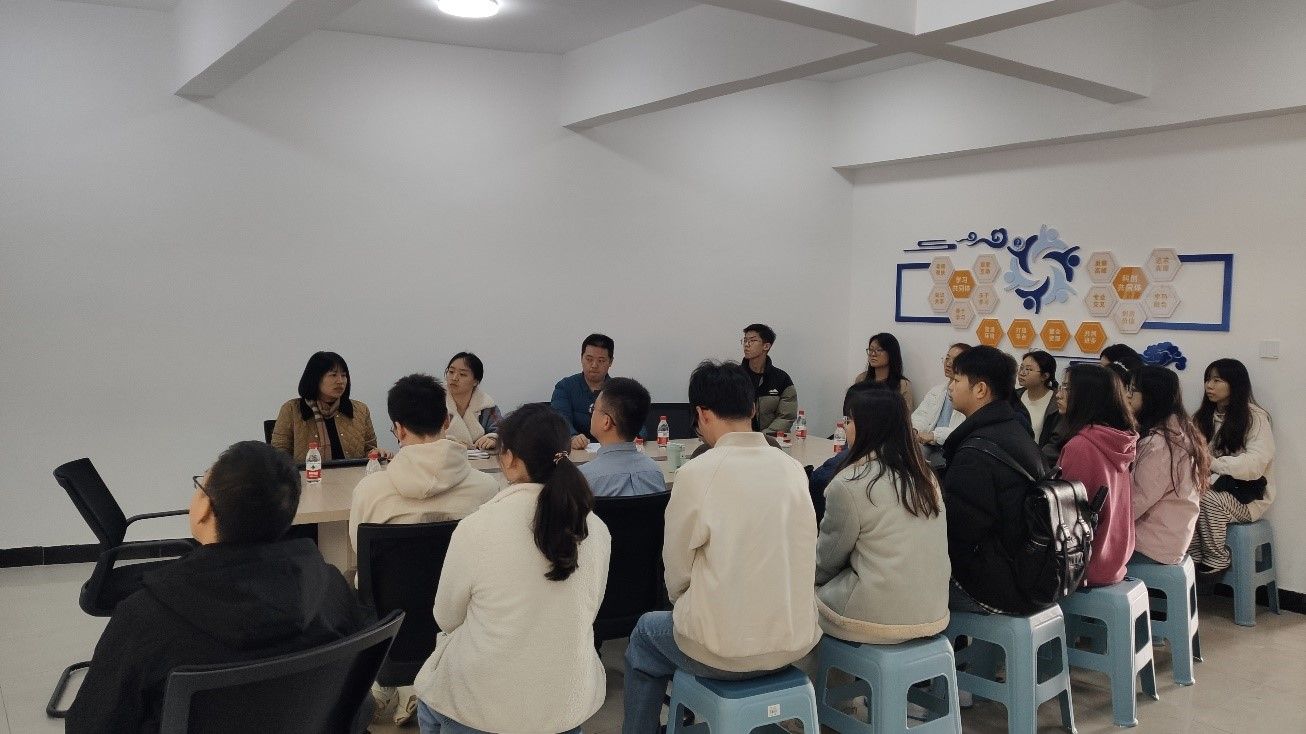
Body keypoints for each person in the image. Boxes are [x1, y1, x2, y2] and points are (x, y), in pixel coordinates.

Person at [66, 441, 375, 733]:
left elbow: (90, 726)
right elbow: (357, 709)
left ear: (204, 509)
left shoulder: (144, 618)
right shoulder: (332, 588)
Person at [623, 361, 820, 733]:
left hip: (724, 651)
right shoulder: (793, 468)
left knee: (646, 634)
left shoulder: (696, 473)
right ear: (752, 409)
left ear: (701, 414)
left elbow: (676, 575)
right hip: (796, 642)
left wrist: (690, 605)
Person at [413, 404, 611, 734]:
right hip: (566, 705)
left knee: (431, 688)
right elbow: (588, 610)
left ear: (510, 459)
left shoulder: (477, 527)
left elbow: (446, 618)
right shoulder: (596, 528)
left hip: (483, 708)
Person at [816, 383, 950, 643]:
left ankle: (821, 670)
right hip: (933, 612)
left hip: (877, 619)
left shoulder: (850, 483)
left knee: (800, 598)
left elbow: (826, 562)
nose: (845, 427)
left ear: (868, 427)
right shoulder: (925, 476)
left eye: (850, 421)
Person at [940, 346, 1048, 615]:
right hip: (1032, 575)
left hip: (1002, 586)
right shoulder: (1014, 431)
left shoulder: (976, 452)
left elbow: (957, 535)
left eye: (956, 380)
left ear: (980, 390)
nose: (950, 386)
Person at [349, 373, 498, 563]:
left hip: (394, 583)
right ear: (446, 420)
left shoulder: (369, 491)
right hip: (461, 583)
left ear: (399, 429)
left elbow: (359, 550)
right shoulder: (487, 488)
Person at [1189, 358, 1276, 578]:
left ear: (1235, 384)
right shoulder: (1202, 417)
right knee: (1182, 494)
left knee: (1206, 498)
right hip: (1210, 486)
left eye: (1217, 380)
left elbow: (1256, 463)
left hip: (1247, 497)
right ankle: (1192, 558)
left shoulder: (1255, 418)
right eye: (1208, 379)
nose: (1209, 385)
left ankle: (1217, 559)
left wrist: (1213, 463)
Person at [1055, 364, 1138, 587]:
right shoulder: (1118, 438)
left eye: (1067, 388)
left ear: (1087, 397)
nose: (1059, 394)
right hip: (1115, 557)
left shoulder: (1082, 445)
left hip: (1085, 562)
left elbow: (1066, 518)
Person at [1128, 366, 1210, 566]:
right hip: (1169, 537)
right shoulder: (1181, 429)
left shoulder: (1161, 444)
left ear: (1151, 396)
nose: (1127, 396)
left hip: (1152, 545)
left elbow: (1136, 501)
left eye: (1133, 391)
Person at [271, 351, 383, 462]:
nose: (340, 381)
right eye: (333, 375)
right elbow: (278, 456)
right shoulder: (291, 410)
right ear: (315, 378)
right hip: (308, 474)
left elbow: (369, 450)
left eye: (344, 375)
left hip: (354, 473)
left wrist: (377, 453)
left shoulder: (360, 410)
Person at [580, 377, 667, 497]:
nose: (591, 413)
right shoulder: (655, 472)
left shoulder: (583, 477)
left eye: (593, 409)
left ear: (606, 422)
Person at [551, 333, 615, 450]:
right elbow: (559, 419)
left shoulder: (619, 390)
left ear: (610, 362)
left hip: (611, 451)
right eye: (589, 359)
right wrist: (572, 437)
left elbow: (637, 422)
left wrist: (634, 436)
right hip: (575, 451)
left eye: (601, 361)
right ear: (581, 358)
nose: (594, 365)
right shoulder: (565, 387)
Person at [911, 343, 969, 461]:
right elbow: (921, 415)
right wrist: (915, 429)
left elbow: (962, 431)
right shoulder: (937, 390)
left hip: (952, 448)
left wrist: (934, 436)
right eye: (947, 358)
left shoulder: (969, 396)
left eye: (955, 360)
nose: (948, 363)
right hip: (928, 444)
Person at [742, 323, 797, 435]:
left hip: (770, 439)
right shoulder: (734, 377)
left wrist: (763, 436)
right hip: (739, 439)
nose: (746, 344)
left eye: (752, 340)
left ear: (766, 346)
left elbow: (786, 417)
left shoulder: (782, 379)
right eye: (745, 340)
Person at [442, 352, 503, 450]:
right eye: (451, 372)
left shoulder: (487, 406)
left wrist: (494, 439)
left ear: (475, 381)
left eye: (462, 374)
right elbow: (424, 433)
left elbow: (503, 432)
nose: (454, 378)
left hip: (479, 459)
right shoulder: (435, 401)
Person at [1015, 350, 1062, 463]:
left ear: (1045, 376)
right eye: (1021, 368)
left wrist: (1037, 461)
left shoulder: (1058, 402)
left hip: (1040, 463)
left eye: (1028, 369)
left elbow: (1056, 442)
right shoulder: (1014, 396)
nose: (1022, 373)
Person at [856, 332, 914, 411]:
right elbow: (852, 409)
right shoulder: (861, 379)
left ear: (891, 353)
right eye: (871, 349)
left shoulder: (903, 385)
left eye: (879, 350)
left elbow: (906, 415)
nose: (873, 354)